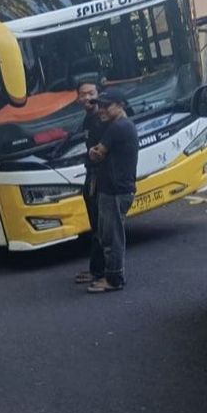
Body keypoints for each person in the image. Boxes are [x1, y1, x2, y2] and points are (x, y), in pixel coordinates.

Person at [87, 91, 138, 293]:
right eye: (100, 105)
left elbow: (97, 154)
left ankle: (114, 278)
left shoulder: (117, 127)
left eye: (106, 106)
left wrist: (92, 152)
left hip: (115, 190)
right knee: (107, 234)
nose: (101, 110)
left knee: (112, 237)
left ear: (119, 105)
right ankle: (109, 275)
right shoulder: (123, 126)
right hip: (117, 188)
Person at [73, 80, 108, 285]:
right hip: (91, 175)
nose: (87, 97)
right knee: (95, 225)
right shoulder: (87, 120)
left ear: (98, 94)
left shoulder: (102, 119)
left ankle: (101, 271)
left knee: (101, 226)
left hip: (100, 178)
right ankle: (96, 269)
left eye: (90, 93)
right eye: (82, 94)